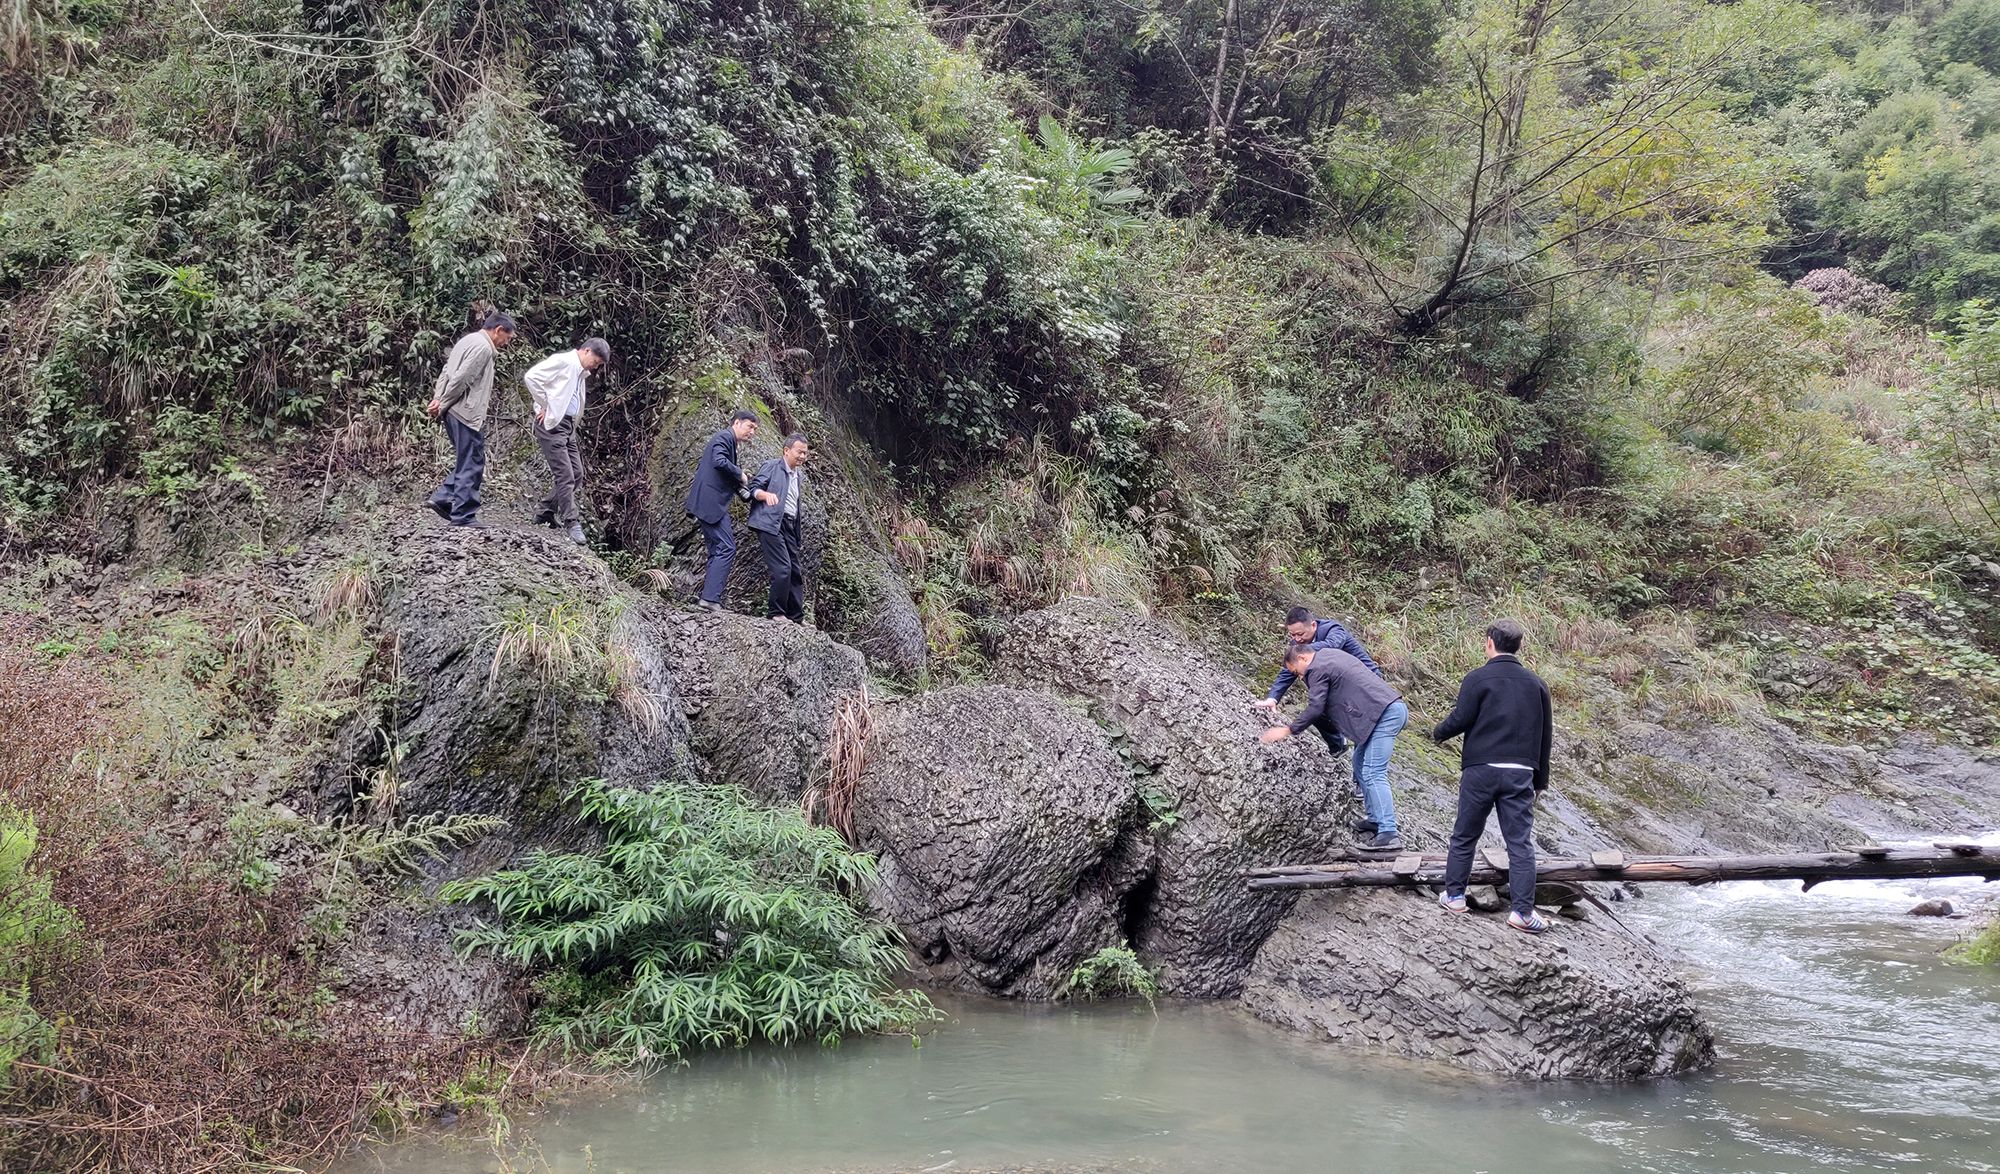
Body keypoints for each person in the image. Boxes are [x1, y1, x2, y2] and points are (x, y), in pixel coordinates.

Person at [1430, 618, 1555, 934]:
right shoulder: (1537, 684)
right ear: (1520, 646)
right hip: (1519, 772)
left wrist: (1438, 733)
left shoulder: (1477, 679)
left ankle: (1455, 896)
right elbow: (1545, 737)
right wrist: (1540, 781)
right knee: (1519, 844)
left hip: (1481, 769)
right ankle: (1523, 913)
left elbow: (1461, 718)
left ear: (1489, 642)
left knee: (1465, 835)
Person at [1259, 643, 1407, 850]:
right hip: (1385, 710)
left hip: (1384, 715)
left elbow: (1316, 707)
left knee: (1374, 772)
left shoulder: (1316, 668)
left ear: (1302, 659)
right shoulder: (1330, 655)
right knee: (1359, 762)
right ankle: (1375, 819)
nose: (1301, 678)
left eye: (1296, 672)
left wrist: (1288, 730)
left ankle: (1389, 833)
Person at [1253, 606, 1386, 834]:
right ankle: (1338, 744)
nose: (1296, 639)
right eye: (1292, 636)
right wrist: (1273, 698)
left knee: (1360, 734)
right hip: (1339, 687)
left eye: (1300, 635)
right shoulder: (1301, 651)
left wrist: (1302, 652)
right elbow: (1289, 671)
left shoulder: (1333, 630)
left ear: (1313, 626)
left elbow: (1330, 647)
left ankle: (1361, 785)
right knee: (1316, 710)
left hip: (1367, 686)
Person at [425, 312, 515, 528]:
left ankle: (443, 497)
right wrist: (444, 401)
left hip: (453, 410)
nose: (506, 343)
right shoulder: (483, 347)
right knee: (472, 462)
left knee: (468, 459)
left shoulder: (467, 340)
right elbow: (462, 378)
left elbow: (447, 371)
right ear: (498, 330)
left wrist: (439, 398)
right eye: (508, 338)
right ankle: (463, 515)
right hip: (465, 411)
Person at [524, 337, 610, 545]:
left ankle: (545, 511)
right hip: (552, 424)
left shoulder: (580, 372)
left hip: (568, 426)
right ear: (586, 351)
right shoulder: (564, 361)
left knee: (577, 473)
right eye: (596, 361)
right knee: (565, 475)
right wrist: (545, 404)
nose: (596, 366)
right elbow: (531, 377)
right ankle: (572, 522)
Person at [686, 410, 759, 612]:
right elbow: (719, 461)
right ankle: (710, 599)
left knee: (718, 550)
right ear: (737, 423)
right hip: (711, 503)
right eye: (749, 426)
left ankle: (709, 599)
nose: (752, 432)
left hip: (709, 503)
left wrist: (738, 487)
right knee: (726, 548)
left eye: (755, 429)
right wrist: (740, 474)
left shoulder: (729, 441)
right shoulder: (724, 437)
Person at [747, 433, 810, 623]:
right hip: (770, 522)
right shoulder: (772, 466)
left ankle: (796, 617)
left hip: (789, 524)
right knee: (782, 568)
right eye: (799, 452)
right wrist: (765, 496)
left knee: (795, 571)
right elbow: (753, 488)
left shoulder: (797, 476)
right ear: (786, 450)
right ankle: (776, 613)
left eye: (805, 454)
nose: (802, 457)